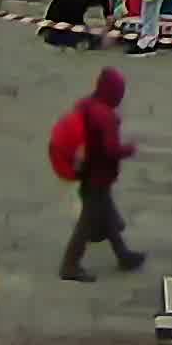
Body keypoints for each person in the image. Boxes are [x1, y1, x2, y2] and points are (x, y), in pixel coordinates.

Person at [55, 67, 147, 278]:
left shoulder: (86, 104)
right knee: (87, 223)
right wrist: (129, 150)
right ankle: (69, 266)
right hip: (99, 175)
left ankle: (123, 255)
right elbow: (111, 149)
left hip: (87, 171)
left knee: (106, 216)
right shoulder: (106, 117)